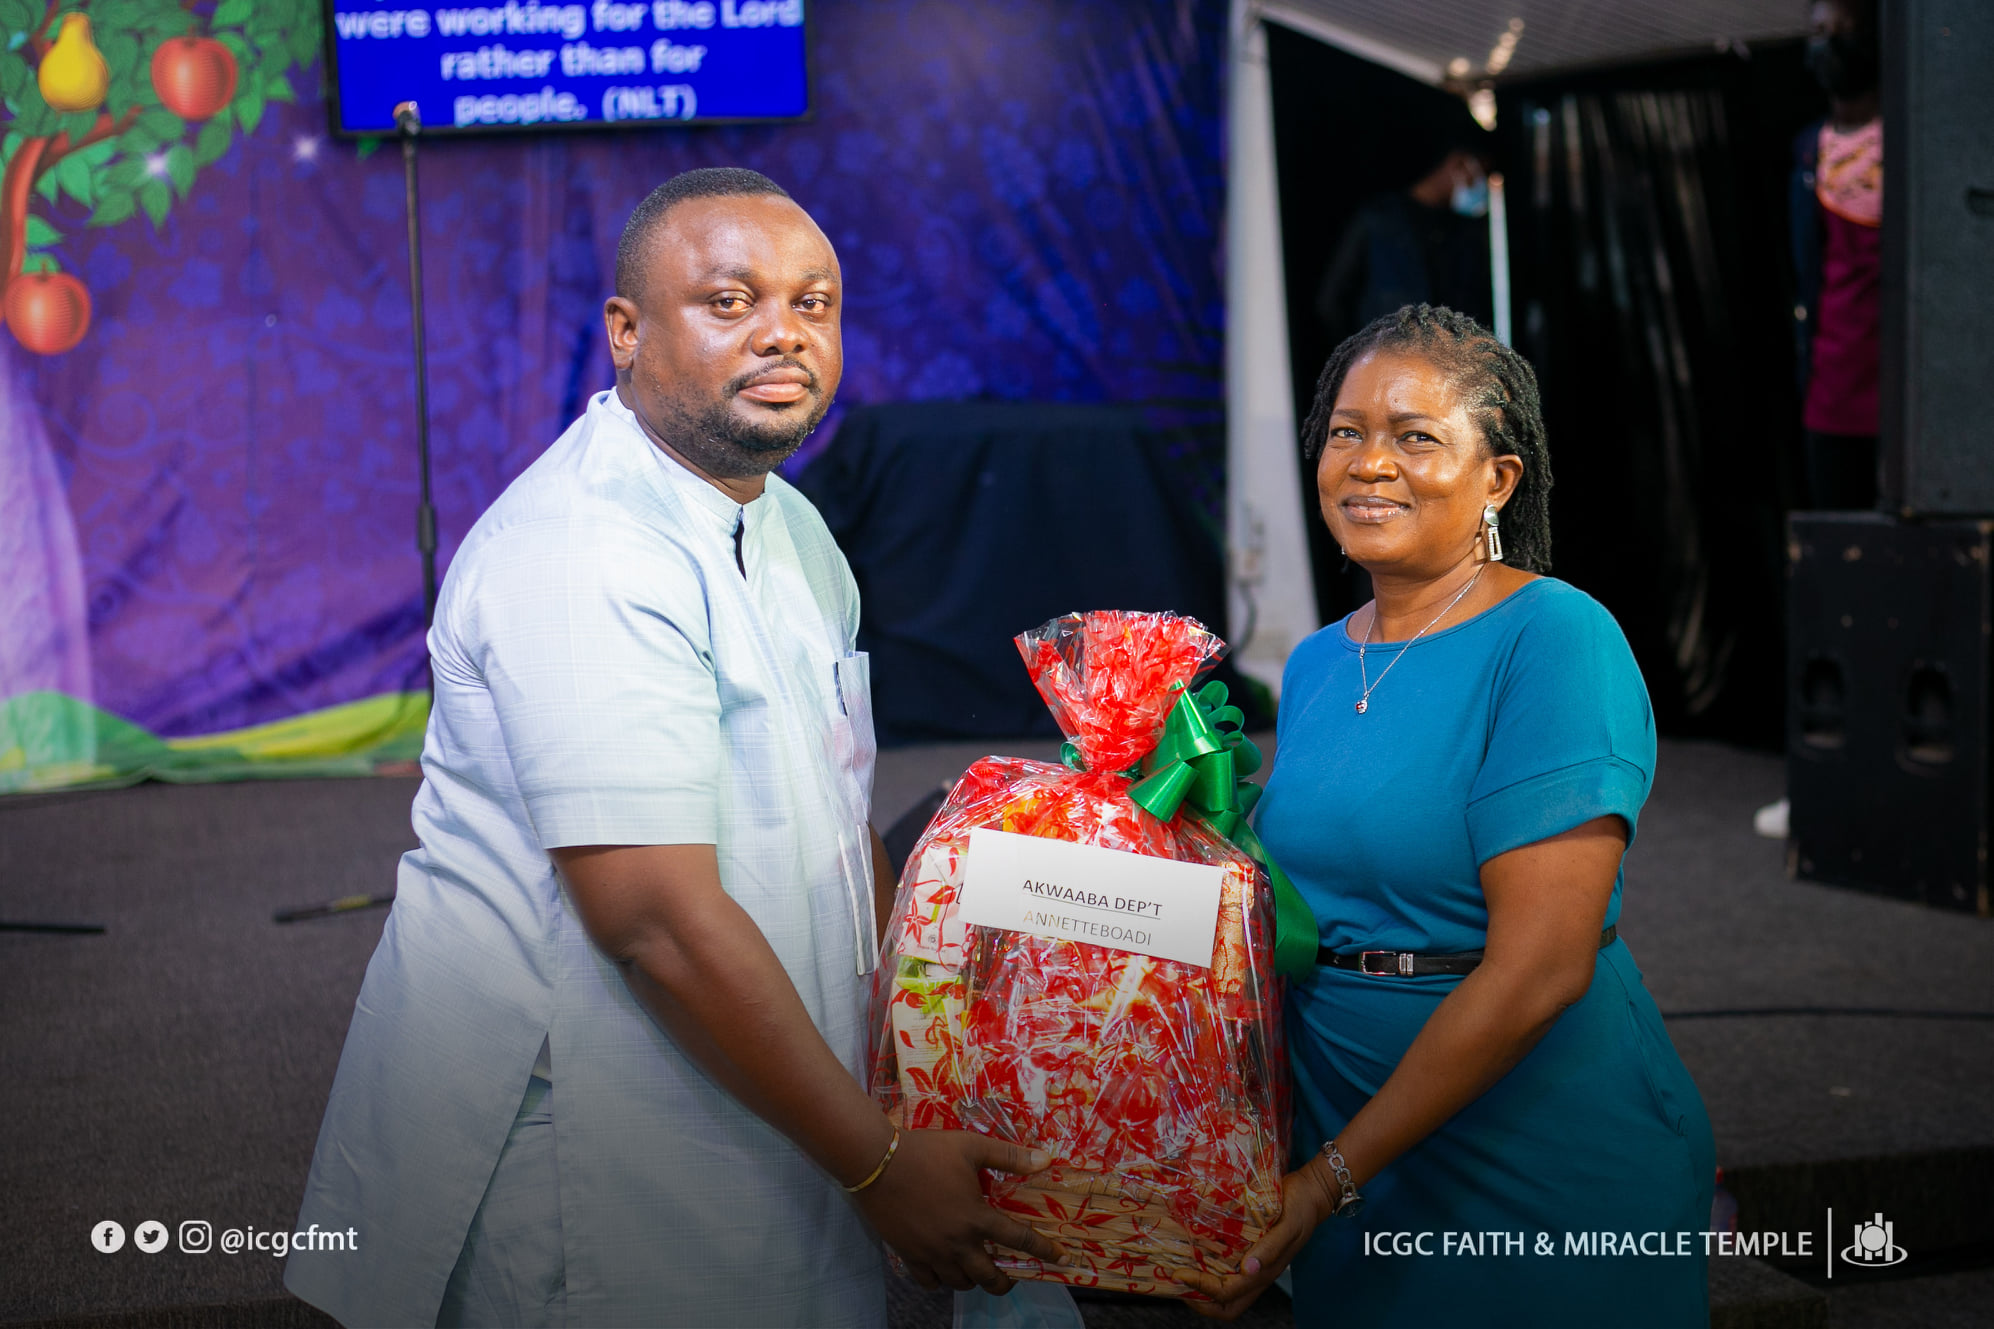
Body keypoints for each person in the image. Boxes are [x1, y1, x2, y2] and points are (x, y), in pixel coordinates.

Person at [284, 168, 1060, 1327]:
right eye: (729, 301)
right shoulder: (583, 550)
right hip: (578, 1132)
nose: (782, 333)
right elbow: (652, 920)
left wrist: (915, 1047)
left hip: (753, 1070)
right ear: (626, 332)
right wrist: (880, 1165)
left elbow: (836, 807)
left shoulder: (788, 524)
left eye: (812, 303)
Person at [1181, 306, 1714, 1326]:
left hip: (1534, 1156)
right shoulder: (1318, 661)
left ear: (1497, 480)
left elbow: (1541, 968)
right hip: (1347, 1143)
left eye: (1414, 435)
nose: (1369, 463)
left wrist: (1332, 1177)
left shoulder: (1553, 636)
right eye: (1346, 432)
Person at [1791, 0, 1882, 511]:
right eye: (1819, 32)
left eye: (1843, 31)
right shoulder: (1810, 151)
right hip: (1832, 386)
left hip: (1898, 386)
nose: (1829, 44)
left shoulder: (1911, 143)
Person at [1315, 141, 1494, 353]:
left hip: (1447, 361)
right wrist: (1359, 356)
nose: (1482, 186)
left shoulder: (1463, 231)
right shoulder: (1379, 220)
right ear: (1459, 164)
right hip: (1389, 359)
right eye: (1480, 176)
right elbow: (1332, 299)